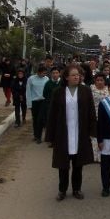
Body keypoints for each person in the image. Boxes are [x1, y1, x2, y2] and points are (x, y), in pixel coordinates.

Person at [45, 64, 97, 201]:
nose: (76, 77)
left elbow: (91, 111)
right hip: (63, 133)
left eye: (78, 75)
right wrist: (50, 135)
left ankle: (76, 189)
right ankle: (62, 190)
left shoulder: (85, 91)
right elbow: (52, 114)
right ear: (66, 77)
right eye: (73, 75)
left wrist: (92, 131)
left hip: (80, 133)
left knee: (78, 164)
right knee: (63, 165)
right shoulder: (58, 92)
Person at [26, 64, 50, 144]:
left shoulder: (46, 79)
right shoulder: (31, 79)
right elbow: (28, 92)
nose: (44, 74)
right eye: (43, 73)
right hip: (34, 102)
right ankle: (36, 135)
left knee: (41, 119)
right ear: (38, 72)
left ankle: (40, 137)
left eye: (45, 73)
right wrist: (29, 104)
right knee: (35, 119)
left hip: (43, 101)